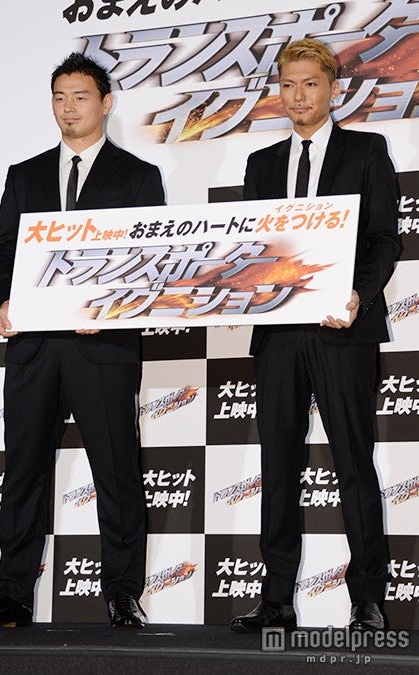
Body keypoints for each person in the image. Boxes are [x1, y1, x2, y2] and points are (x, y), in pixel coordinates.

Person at [0, 52, 165, 629]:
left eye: (80, 97)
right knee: (23, 473)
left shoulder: (137, 175)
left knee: (117, 472)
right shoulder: (25, 174)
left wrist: (112, 309)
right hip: (34, 346)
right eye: (59, 97)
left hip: (102, 347)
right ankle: (11, 595)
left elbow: (150, 261)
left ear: (106, 103)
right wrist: (5, 300)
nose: (68, 108)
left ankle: (122, 594)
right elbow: (2, 249)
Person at [231, 38, 401, 633]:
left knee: (354, 463)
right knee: (277, 466)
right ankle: (276, 599)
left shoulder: (366, 151)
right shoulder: (260, 164)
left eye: (309, 84)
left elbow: (385, 237)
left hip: (344, 330)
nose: (298, 95)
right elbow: (252, 250)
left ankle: (368, 599)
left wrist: (358, 295)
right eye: (288, 85)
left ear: (333, 89)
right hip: (278, 334)